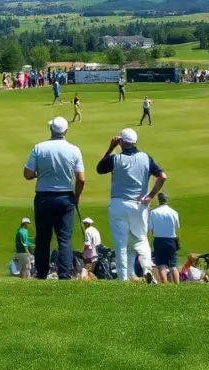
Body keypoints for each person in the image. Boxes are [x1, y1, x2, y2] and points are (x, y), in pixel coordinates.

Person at [97, 127, 166, 282]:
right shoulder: (146, 158)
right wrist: (151, 196)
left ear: (121, 141)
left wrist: (110, 148)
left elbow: (100, 168)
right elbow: (162, 176)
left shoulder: (115, 158)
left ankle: (123, 278)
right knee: (140, 239)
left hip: (118, 204)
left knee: (121, 243)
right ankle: (146, 268)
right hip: (139, 205)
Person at [23, 117, 85, 280]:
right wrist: (76, 196)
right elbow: (81, 178)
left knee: (43, 237)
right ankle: (64, 274)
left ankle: (41, 274)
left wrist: (40, 172)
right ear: (66, 131)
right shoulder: (74, 150)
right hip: (65, 197)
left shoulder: (39, 148)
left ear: (51, 129)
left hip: (43, 197)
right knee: (64, 238)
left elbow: (28, 174)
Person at [148, 193, 180, 284]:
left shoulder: (154, 212)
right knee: (173, 265)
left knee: (161, 265)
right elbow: (176, 226)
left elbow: (151, 228)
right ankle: (177, 284)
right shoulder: (174, 212)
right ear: (167, 200)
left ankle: (165, 285)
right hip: (171, 239)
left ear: (159, 200)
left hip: (159, 240)